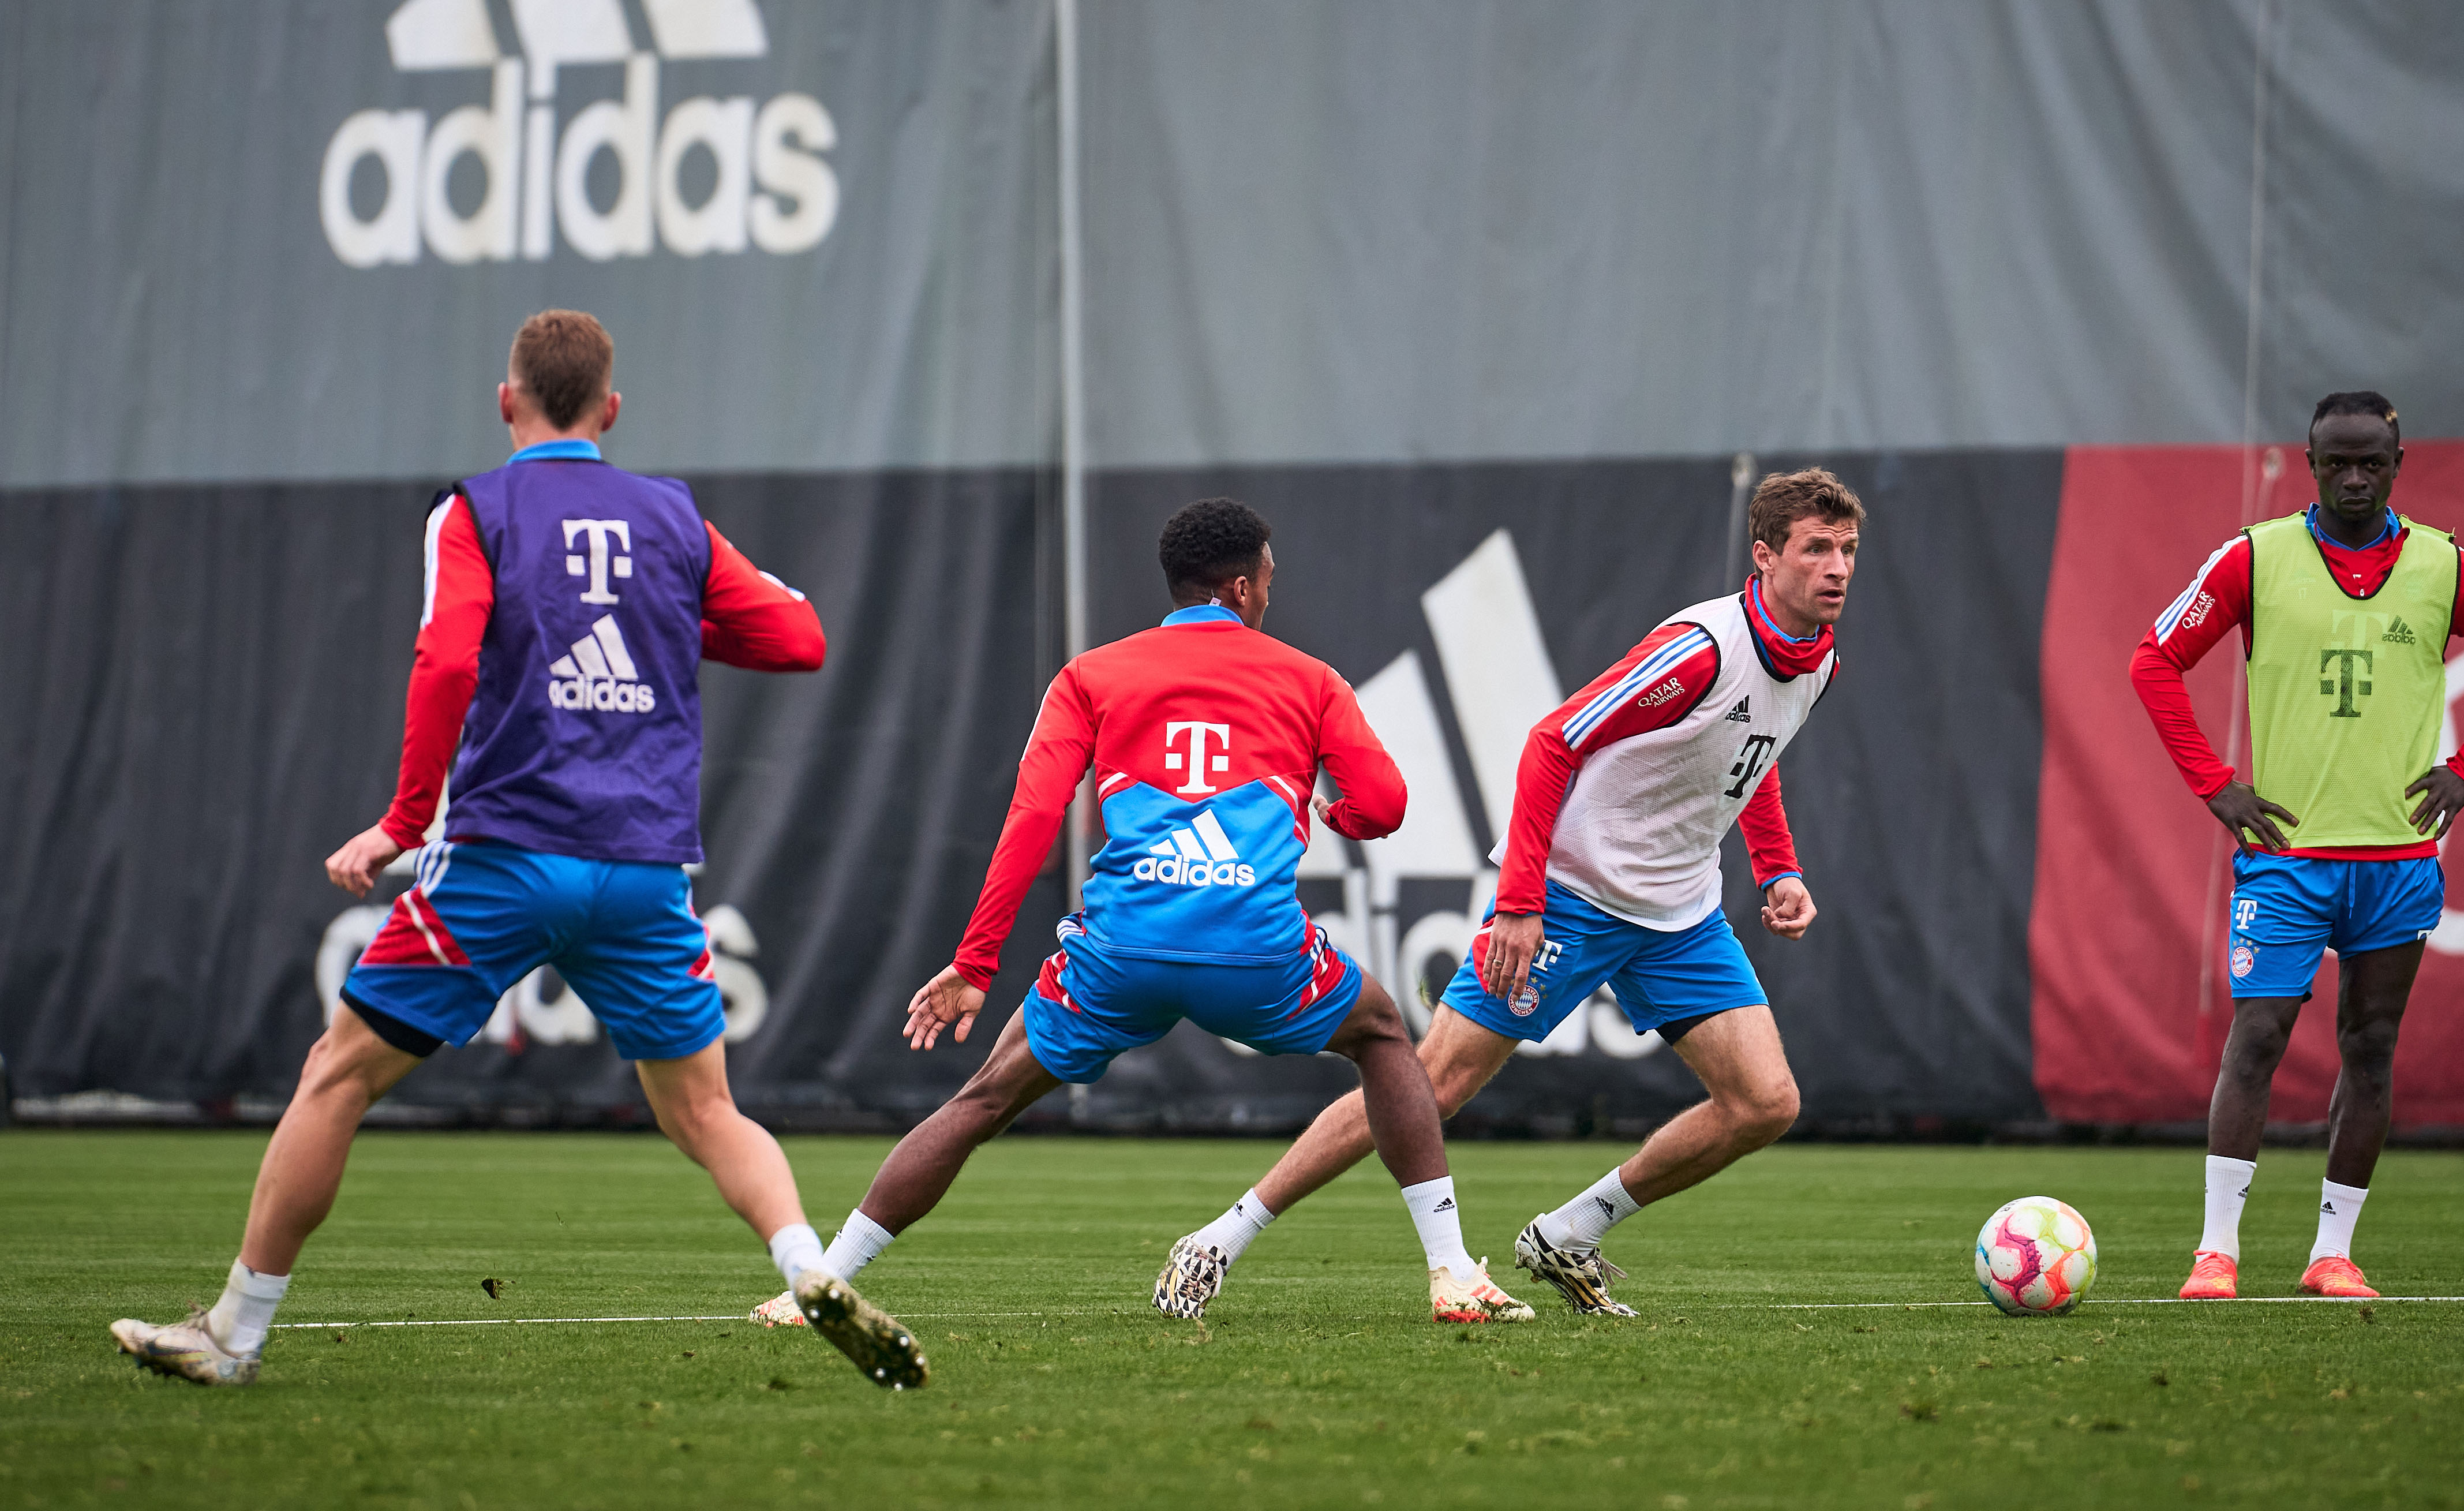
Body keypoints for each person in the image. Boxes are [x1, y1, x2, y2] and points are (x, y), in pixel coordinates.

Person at [111, 311, 923, 1390]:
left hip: (505, 857)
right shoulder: (669, 516)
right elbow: (798, 636)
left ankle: (236, 1332)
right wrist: (661, 616)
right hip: (642, 871)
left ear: (509, 401)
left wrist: (403, 824)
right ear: (611, 409)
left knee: (336, 1076)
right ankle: (807, 1264)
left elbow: (446, 660)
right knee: (709, 1111)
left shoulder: (477, 510)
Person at [753, 498, 1534, 1327]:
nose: (1271, 590)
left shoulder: (1090, 674)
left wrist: (976, 964)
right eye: (1268, 576)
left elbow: (1030, 821)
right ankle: (1451, 1272)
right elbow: (1383, 804)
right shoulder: (1309, 677)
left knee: (979, 1101)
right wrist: (1330, 816)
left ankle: (823, 1284)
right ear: (1239, 586)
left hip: (1121, 952)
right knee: (1382, 1037)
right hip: (1254, 952)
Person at [1158, 469, 1857, 1319]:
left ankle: (1569, 1232)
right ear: (1763, 556)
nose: (1836, 567)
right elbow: (1552, 742)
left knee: (1764, 1103)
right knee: (1429, 1085)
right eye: (1815, 548)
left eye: (1847, 549)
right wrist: (1520, 901)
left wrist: (1776, 867)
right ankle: (1219, 1238)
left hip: (1678, 914)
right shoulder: (1701, 648)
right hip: (1568, 892)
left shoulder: (1814, 656)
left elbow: (1755, 755)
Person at [2133, 391, 2464, 1300]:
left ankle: (2332, 1252)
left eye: (2371, 462)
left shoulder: (2444, 564)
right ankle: (2216, 1252)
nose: (2353, 478)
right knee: (2258, 1039)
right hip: (2288, 857)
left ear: (2397, 465)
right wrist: (2214, 783)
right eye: (2336, 463)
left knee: (2370, 1047)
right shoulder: (2253, 557)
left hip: (2396, 863)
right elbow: (2153, 660)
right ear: (2311, 463)